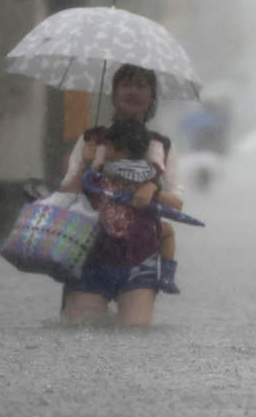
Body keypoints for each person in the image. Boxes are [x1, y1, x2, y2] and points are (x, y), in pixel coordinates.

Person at [59, 64, 184, 327]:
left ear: (152, 97)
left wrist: (154, 190)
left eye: (141, 86)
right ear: (114, 93)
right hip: (90, 258)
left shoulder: (161, 146)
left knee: (135, 333)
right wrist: (84, 164)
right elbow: (66, 196)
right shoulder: (92, 141)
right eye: (126, 84)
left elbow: (177, 202)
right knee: (78, 334)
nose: (133, 92)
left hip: (140, 259)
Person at [83, 118, 182, 295]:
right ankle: (167, 276)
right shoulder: (147, 174)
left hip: (104, 233)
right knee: (167, 231)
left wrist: (90, 163)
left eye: (109, 146)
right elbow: (176, 204)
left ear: (120, 150)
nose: (106, 150)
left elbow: (87, 188)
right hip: (137, 235)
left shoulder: (104, 169)